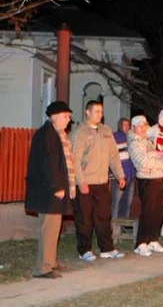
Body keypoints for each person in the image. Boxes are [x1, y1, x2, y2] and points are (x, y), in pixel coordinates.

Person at [25, 101, 76, 279]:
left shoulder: (55, 133)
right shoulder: (47, 134)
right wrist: (58, 186)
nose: (69, 120)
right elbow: (49, 163)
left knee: (54, 228)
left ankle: (51, 261)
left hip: (52, 189)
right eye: (65, 116)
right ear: (54, 116)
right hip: (50, 190)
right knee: (49, 228)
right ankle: (43, 268)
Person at [71, 100, 126, 261]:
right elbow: (75, 159)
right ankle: (84, 250)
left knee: (103, 217)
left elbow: (114, 156)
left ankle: (107, 248)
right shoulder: (80, 132)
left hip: (102, 182)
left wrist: (120, 175)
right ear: (87, 112)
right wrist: (80, 182)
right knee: (85, 219)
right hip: (86, 183)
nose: (100, 114)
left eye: (101, 111)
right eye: (96, 111)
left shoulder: (106, 131)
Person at [128, 115, 163, 256]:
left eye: (144, 125)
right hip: (147, 180)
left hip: (158, 178)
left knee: (158, 211)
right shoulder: (134, 143)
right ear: (133, 128)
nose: (142, 128)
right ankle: (141, 243)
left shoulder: (148, 140)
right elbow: (143, 161)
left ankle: (153, 239)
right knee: (148, 212)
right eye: (139, 125)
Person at [111, 118, 137, 219]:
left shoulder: (131, 137)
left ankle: (123, 226)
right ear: (120, 126)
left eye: (128, 125)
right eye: (125, 125)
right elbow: (113, 155)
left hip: (131, 175)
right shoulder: (115, 137)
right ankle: (113, 226)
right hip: (119, 175)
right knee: (116, 202)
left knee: (128, 202)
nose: (127, 127)